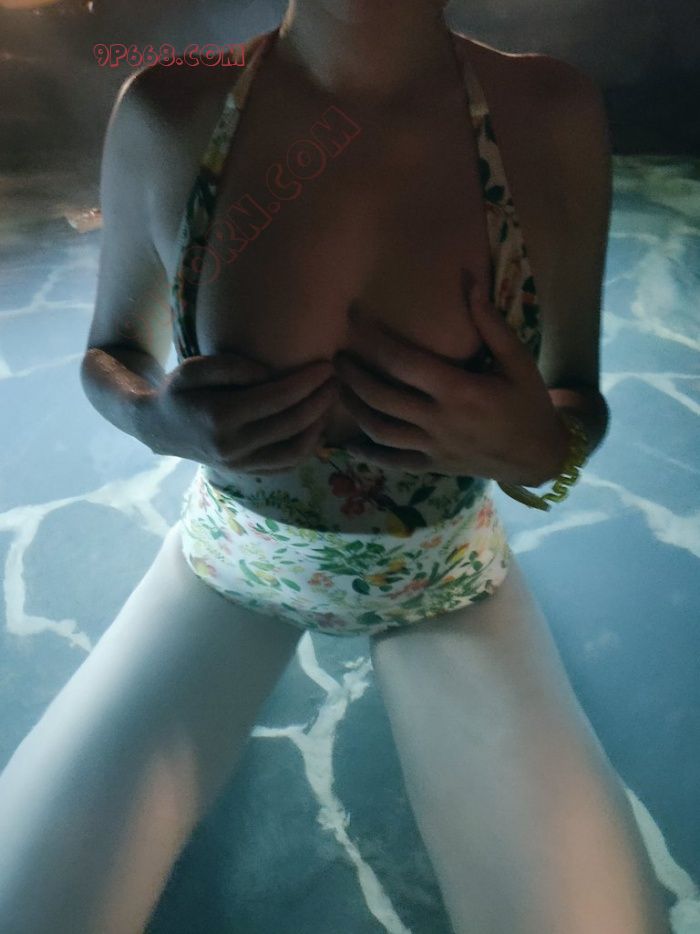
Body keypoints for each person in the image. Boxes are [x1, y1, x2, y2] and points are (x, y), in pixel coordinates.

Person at [0, 2, 671, 932]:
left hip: (445, 574)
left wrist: (546, 453)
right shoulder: (170, 109)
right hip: (233, 561)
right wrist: (155, 421)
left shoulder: (546, 112)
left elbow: (577, 398)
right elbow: (110, 351)